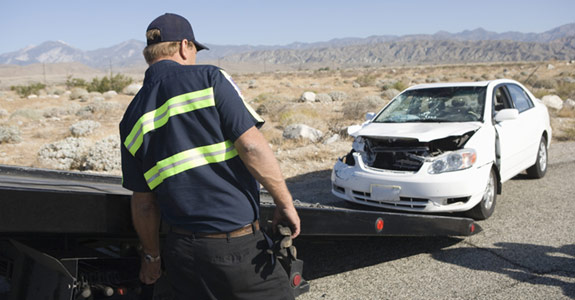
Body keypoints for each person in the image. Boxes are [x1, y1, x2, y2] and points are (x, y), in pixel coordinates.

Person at [119, 13, 301, 300]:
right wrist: (285, 202)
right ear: (183, 46)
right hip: (236, 249)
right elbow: (251, 147)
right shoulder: (210, 78)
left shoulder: (131, 117)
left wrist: (152, 257)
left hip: (182, 255)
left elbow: (143, 204)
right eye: (193, 49)